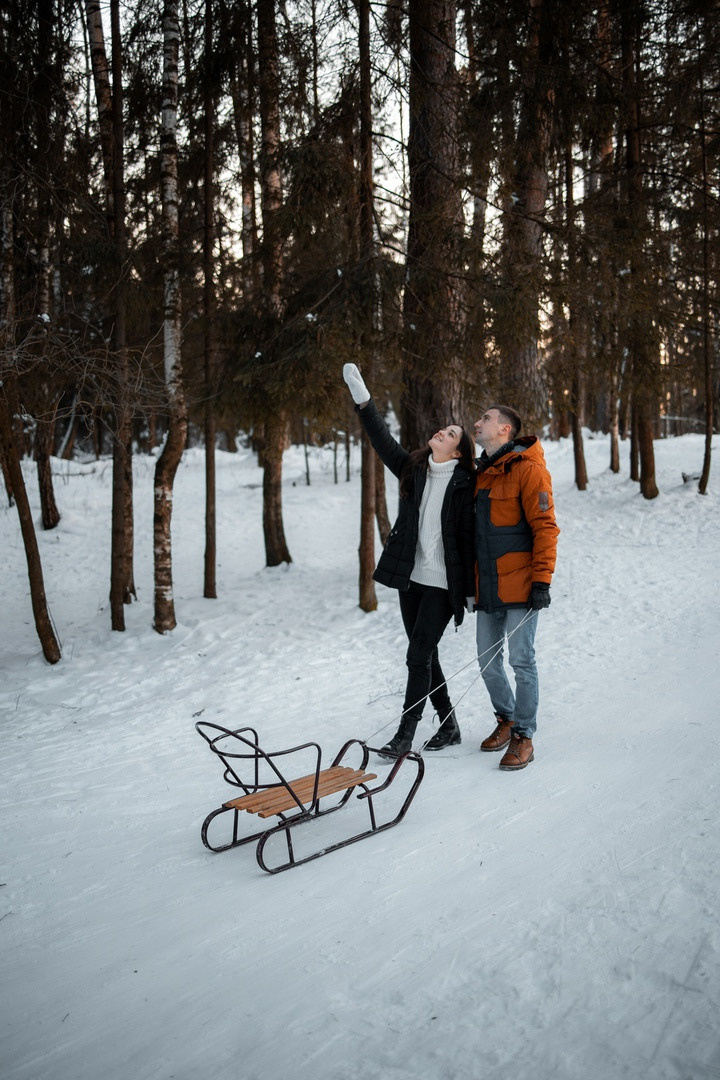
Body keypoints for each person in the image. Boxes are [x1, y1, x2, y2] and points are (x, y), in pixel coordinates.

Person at [343, 363, 476, 758]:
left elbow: (469, 541)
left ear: (459, 449)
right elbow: (381, 439)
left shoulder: (468, 483)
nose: (443, 432)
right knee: (426, 653)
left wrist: (470, 590)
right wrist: (363, 401)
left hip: (442, 584)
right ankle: (448, 723)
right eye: (444, 428)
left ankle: (405, 734)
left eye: (452, 434)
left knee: (417, 655)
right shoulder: (414, 469)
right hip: (411, 580)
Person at [472, 405, 559, 771]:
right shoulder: (482, 474)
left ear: (505, 429)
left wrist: (542, 581)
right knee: (487, 661)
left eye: (486, 419)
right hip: (488, 585)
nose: (477, 423)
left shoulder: (528, 469)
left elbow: (545, 528)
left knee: (521, 660)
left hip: (522, 586)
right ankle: (506, 718)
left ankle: (524, 735)